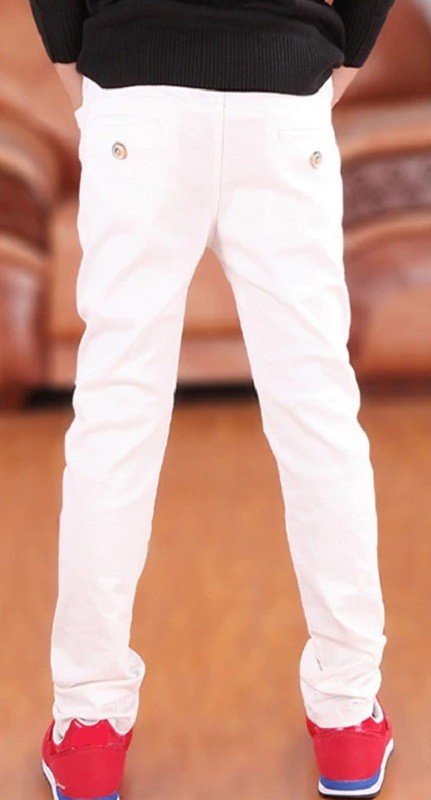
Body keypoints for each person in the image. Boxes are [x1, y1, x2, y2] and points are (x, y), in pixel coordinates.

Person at [29, 0, 397, 798]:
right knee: (317, 415)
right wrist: (336, 58)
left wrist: (75, 59)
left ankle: (88, 728)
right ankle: (346, 718)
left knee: (114, 417)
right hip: (282, 91)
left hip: (136, 90)